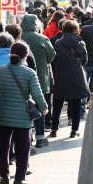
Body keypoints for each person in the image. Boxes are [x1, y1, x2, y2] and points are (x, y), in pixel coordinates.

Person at [0, 41, 48, 184]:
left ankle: (4, 176)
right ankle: (19, 178)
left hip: (2, 116)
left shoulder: (0, 70)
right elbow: (37, 95)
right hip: (23, 118)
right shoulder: (29, 73)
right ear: (27, 55)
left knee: (2, 147)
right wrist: (44, 108)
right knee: (23, 148)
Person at [20, 14, 56, 148]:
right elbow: (51, 56)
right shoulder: (43, 38)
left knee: (25, 109)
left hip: (21, 79)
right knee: (41, 107)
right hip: (41, 78)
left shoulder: (18, 38)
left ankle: (27, 140)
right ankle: (40, 138)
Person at [51, 21, 90, 138]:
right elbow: (85, 61)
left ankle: (54, 129)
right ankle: (74, 130)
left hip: (60, 76)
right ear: (76, 30)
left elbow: (54, 60)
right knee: (77, 103)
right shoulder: (80, 43)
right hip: (76, 76)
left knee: (57, 103)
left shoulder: (57, 43)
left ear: (63, 29)